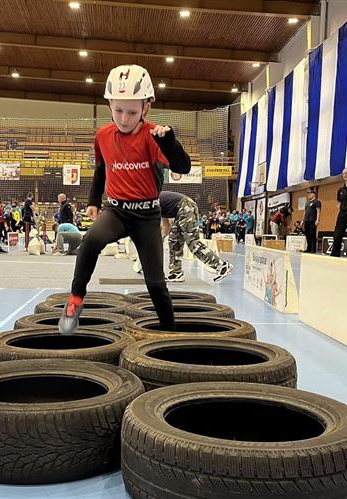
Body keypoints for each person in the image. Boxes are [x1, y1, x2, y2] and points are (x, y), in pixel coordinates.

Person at [58, 64, 191, 335]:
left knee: (155, 283)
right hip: (116, 212)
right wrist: (94, 200)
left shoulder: (154, 136)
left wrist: (170, 144)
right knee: (89, 243)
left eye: (132, 112)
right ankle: (75, 300)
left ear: (146, 107)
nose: (124, 118)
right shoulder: (103, 136)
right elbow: (101, 168)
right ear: (109, 104)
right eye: (118, 110)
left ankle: (170, 333)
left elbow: (183, 167)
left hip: (147, 217)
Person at [160, 191, 231, 283]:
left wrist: (156, 242)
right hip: (180, 210)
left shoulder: (152, 201)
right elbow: (166, 226)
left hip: (186, 206)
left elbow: (159, 228)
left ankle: (221, 265)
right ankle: (176, 272)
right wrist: (159, 240)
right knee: (174, 240)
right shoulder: (155, 202)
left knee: (193, 242)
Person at [303, 188, 321, 253]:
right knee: (307, 235)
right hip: (306, 221)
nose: (308, 195)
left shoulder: (317, 201)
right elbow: (304, 212)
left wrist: (317, 220)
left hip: (312, 221)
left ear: (313, 194)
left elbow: (318, 211)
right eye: (307, 194)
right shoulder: (307, 203)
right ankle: (309, 248)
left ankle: (313, 249)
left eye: (309, 193)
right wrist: (303, 220)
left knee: (312, 235)